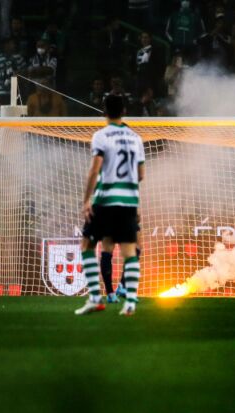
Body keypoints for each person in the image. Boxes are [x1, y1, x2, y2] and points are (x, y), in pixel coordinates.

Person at [75, 95, 145, 316]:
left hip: (106, 200)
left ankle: (96, 298)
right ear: (124, 110)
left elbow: (95, 170)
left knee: (87, 244)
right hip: (129, 201)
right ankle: (130, 302)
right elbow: (141, 174)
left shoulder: (101, 136)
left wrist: (87, 199)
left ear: (103, 111)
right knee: (129, 250)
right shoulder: (136, 138)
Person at [0, 37, 27, 105]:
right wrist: (6, 73)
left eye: (13, 44)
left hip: (18, 92)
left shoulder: (19, 58)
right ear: (6, 45)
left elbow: (25, 73)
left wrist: (19, 73)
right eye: (11, 44)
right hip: (3, 93)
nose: (13, 45)